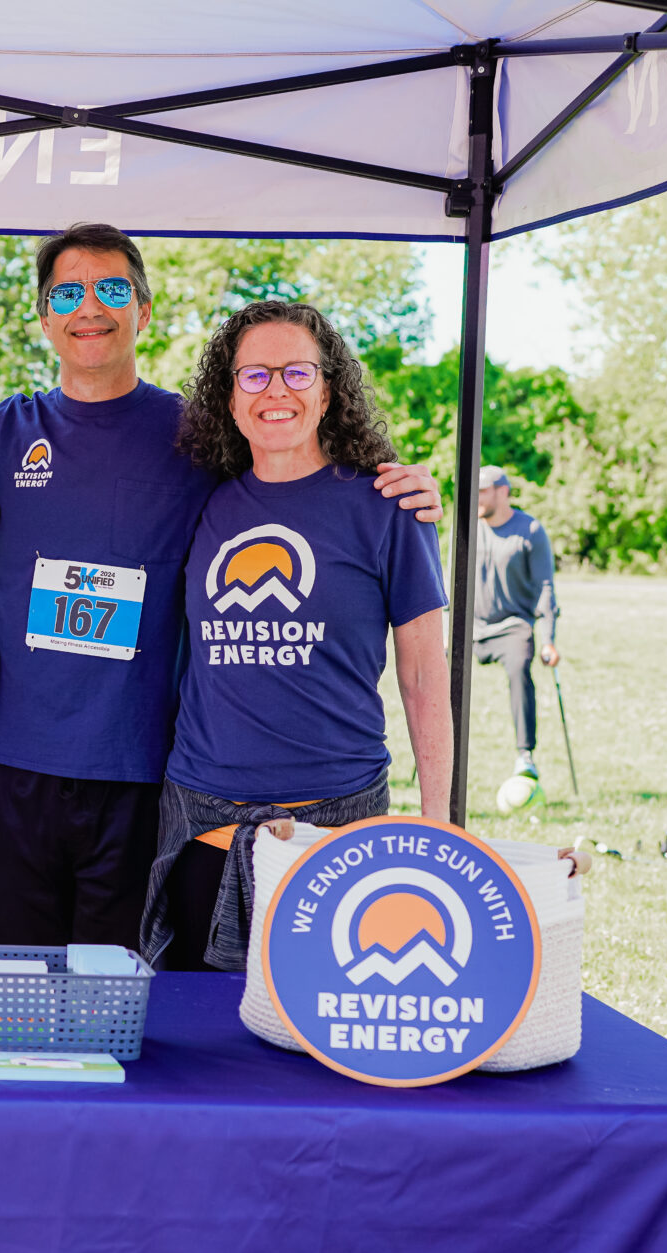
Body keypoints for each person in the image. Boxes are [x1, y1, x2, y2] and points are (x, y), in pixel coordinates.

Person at [0, 223, 442, 950]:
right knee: (12, 999)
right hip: (11, 766)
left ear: (143, 311)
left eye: (113, 289)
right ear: (45, 315)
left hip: (142, 772)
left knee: (116, 1008)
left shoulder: (198, 435)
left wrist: (394, 478)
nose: (91, 306)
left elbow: (291, 451)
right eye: (69, 292)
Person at [138, 300, 454, 972]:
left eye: (297, 372)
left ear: (329, 390)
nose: (276, 389)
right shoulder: (204, 502)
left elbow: (425, 675)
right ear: (229, 397)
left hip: (338, 820)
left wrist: (441, 823)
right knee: (205, 1047)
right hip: (206, 821)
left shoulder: (391, 506)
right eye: (254, 375)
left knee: (326, 1042)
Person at [472, 465, 562, 803]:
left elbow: (545, 588)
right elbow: (446, 581)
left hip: (513, 626)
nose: (476, 498)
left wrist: (549, 638)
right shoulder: (467, 526)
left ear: (503, 491)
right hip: (472, 626)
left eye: (483, 491)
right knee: (439, 676)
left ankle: (525, 755)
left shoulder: (530, 530)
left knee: (519, 669)